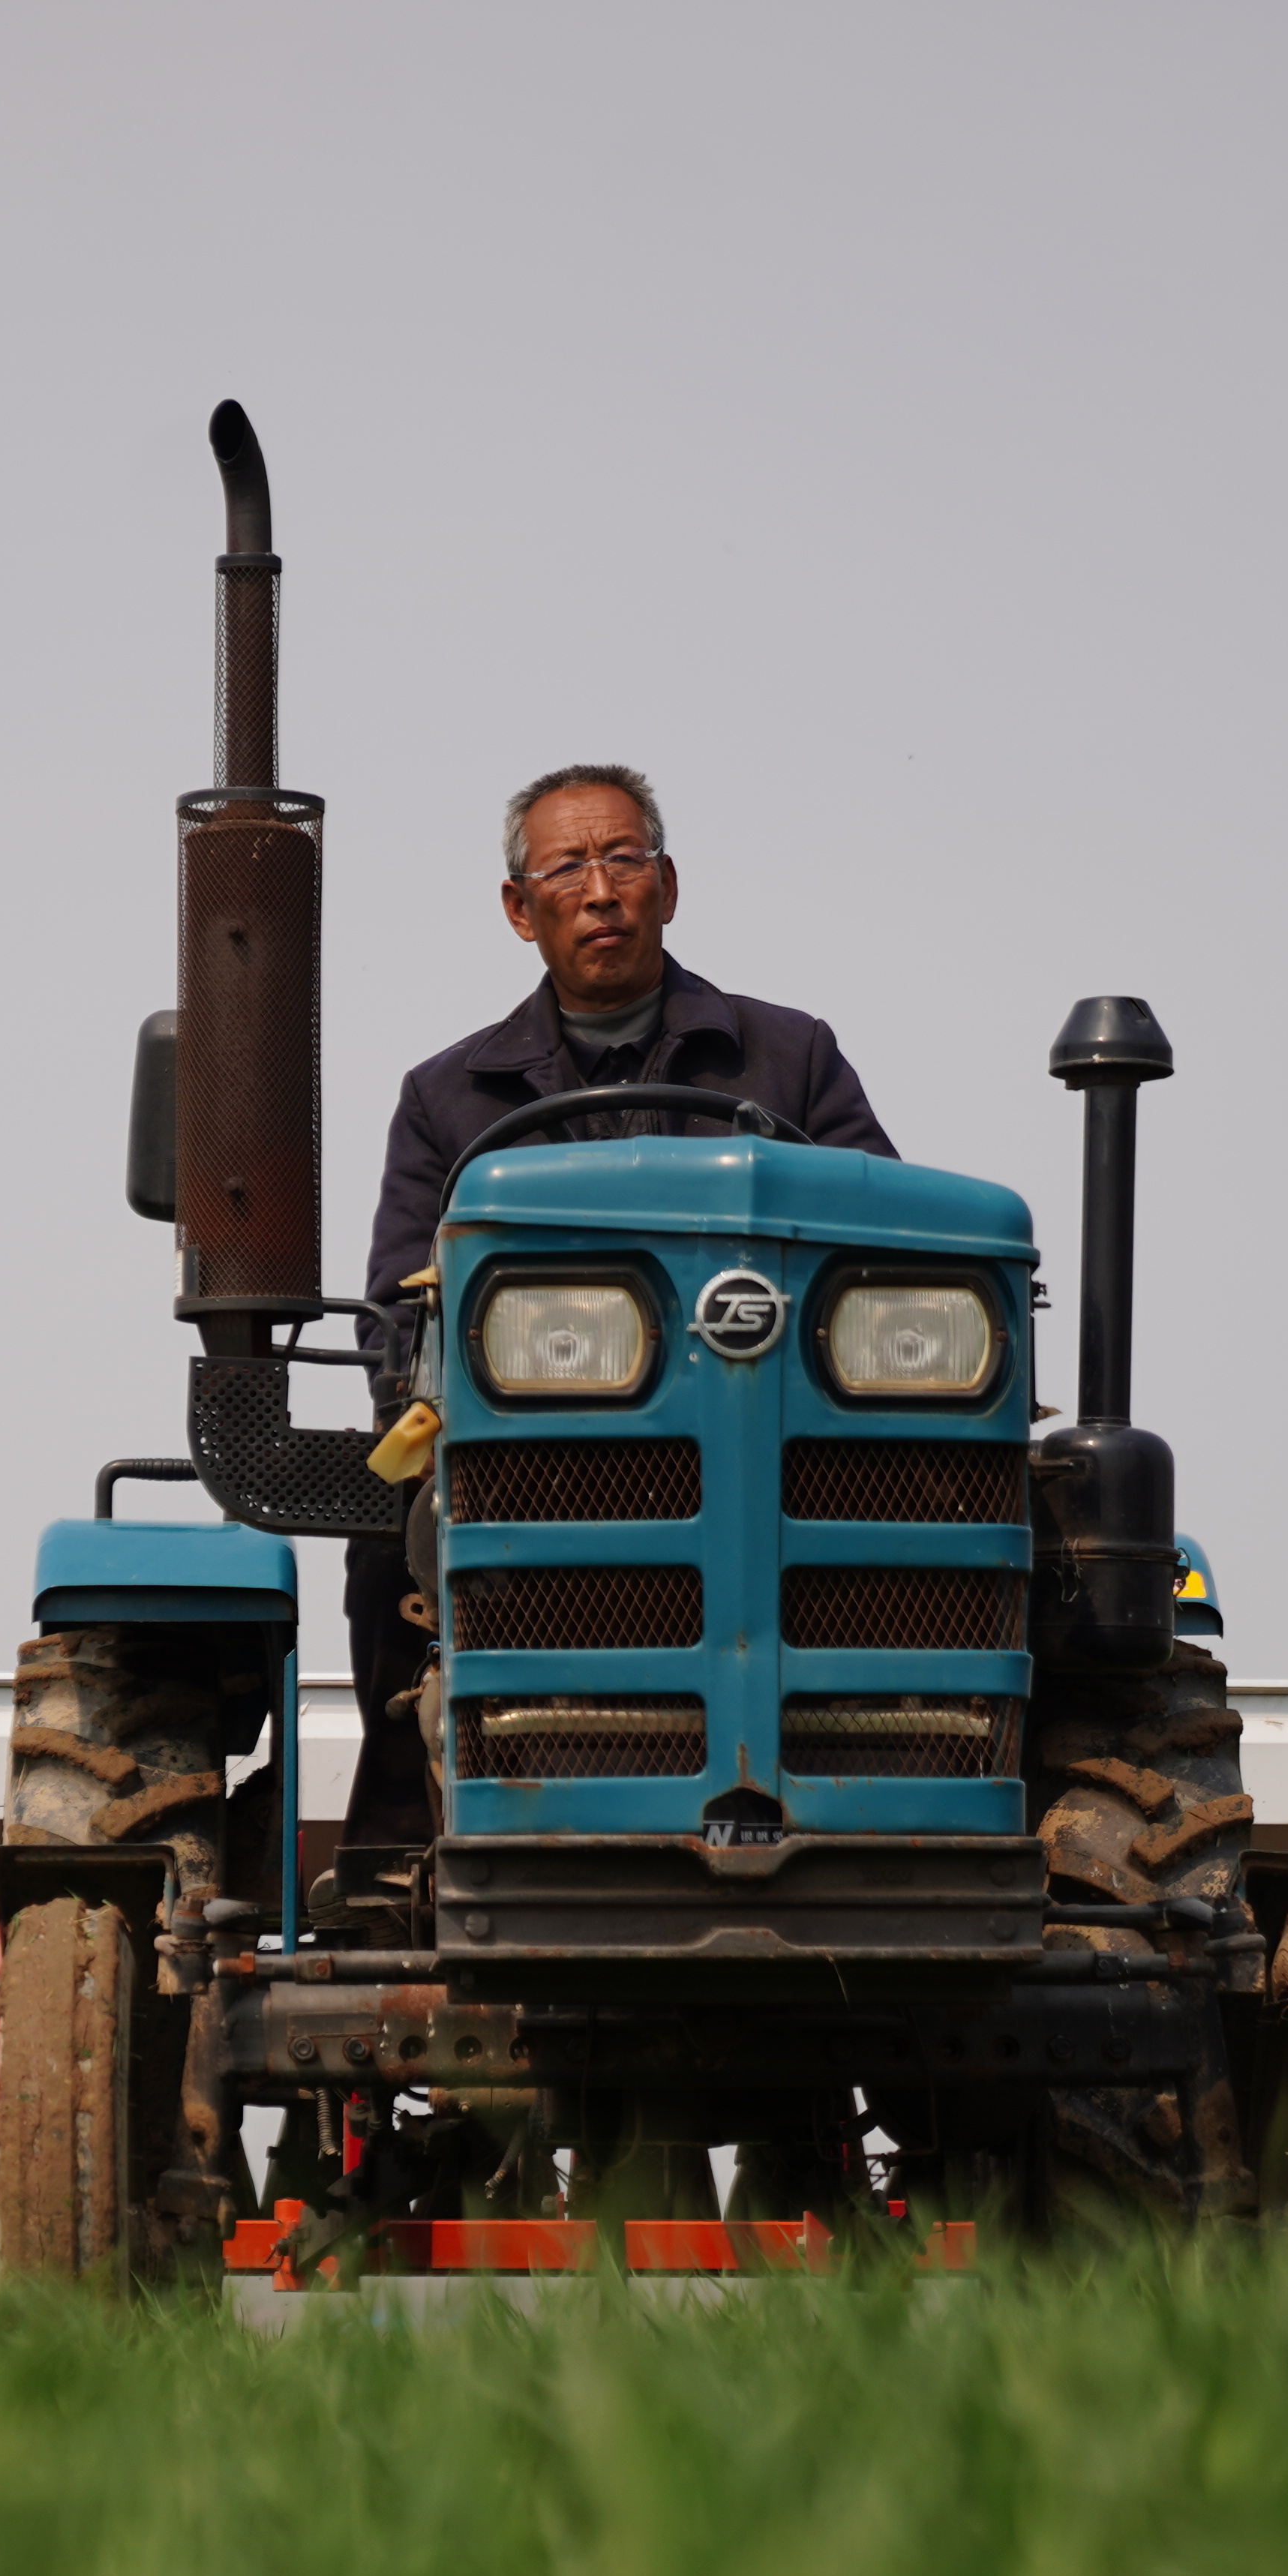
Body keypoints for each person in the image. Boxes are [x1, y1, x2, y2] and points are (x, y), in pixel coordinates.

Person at [334, 763, 895, 1856]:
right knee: (385, 1539)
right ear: (518, 909)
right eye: (568, 867)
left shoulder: (793, 1057)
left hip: (777, 1442)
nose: (601, 890)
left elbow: (881, 1245)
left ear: (669, 886)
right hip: (535, 1452)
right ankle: (406, 1848)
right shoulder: (447, 1097)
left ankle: (904, 1788)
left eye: (625, 858)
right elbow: (394, 1311)